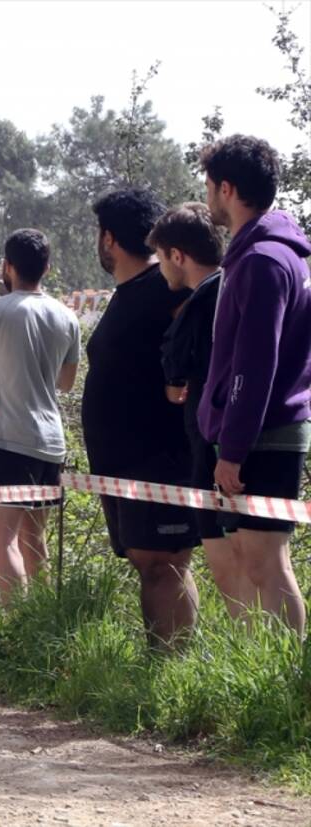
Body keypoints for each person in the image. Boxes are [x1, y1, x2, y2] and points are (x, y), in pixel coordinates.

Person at [199, 135, 311, 635]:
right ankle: (265, 672)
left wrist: (234, 449)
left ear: (227, 188)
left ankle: (291, 685)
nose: (205, 196)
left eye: (208, 185)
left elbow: (254, 365)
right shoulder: (262, 255)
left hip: (268, 433)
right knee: (250, 555)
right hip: (261, 431)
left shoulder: (264, 261)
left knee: (267, 560)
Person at [83, 189, 201, 650]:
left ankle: (175, 670)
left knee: (165, 566)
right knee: (150, 566)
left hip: (160, 463)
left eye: (99, 234)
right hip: (126, 467)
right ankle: (165, 669)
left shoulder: (167, 288)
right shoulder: (129, 293)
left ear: (109, 238)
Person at [0, 229, 80, 605]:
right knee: (33, 539)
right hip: (50, 443)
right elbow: (66, 383)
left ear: (7, 267)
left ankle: (16, 628)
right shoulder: (67, 316)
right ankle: (40, 620)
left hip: (9, 440)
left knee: (1, 539)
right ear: (48, 268)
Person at [150, 202, 253, 618]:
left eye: (161, 257)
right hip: (217, 442)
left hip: (214, 447)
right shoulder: (228, 289)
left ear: (178, 256)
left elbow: (176, 369)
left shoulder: (208, 298)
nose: (160, 268)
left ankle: (255, 661)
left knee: (234, 564)